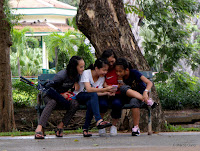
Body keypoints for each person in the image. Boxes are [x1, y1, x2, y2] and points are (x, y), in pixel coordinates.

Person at [35, 56, 85, 139]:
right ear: (74, 67)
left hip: (62, 97)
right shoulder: (61, 75)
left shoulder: (77, 75)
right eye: (81, 67)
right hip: (49, 94)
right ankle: (39, 128)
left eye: (83, 66)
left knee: (75, 103)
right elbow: (48, 87)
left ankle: (60, 126)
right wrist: (61, 94)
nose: (83, 69)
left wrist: (75, 83)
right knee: (52, 102)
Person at [115, 58, 156, 136]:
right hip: (128, 97)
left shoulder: (134, 73)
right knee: (123, 88)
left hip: (139, 96)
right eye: (116, 71)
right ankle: (147, 101)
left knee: (134, 101)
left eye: (120, 71)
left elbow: (149, 83)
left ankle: (136, 128)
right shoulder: (120, 77)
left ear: (126, 70)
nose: (118, 73)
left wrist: (145, 92)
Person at [75, 58, 114, 137]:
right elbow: (89, 89)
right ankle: (99, 120)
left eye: (106, 70)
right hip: (80, 95)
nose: (105, 72)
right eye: (103, 70)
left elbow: (97, 94)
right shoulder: (86, 73)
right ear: (96, 68)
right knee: (93, 95)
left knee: (91, 103)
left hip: (90, 97)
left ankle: (85, 129)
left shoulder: (102, 78)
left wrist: (107, 93)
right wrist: (105, 89)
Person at [99, 49, 123, 136]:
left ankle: (114, 125)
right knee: (102, 104)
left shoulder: (118, 68)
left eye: (112, 61)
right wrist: (107, 89)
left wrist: (115, 88)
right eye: (109, 62)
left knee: (117, 104)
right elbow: (101, 81)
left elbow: (120, 82)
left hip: (116, 92)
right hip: (104, 92)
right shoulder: (103, 68)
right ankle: (101, 124)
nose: (111, 64)